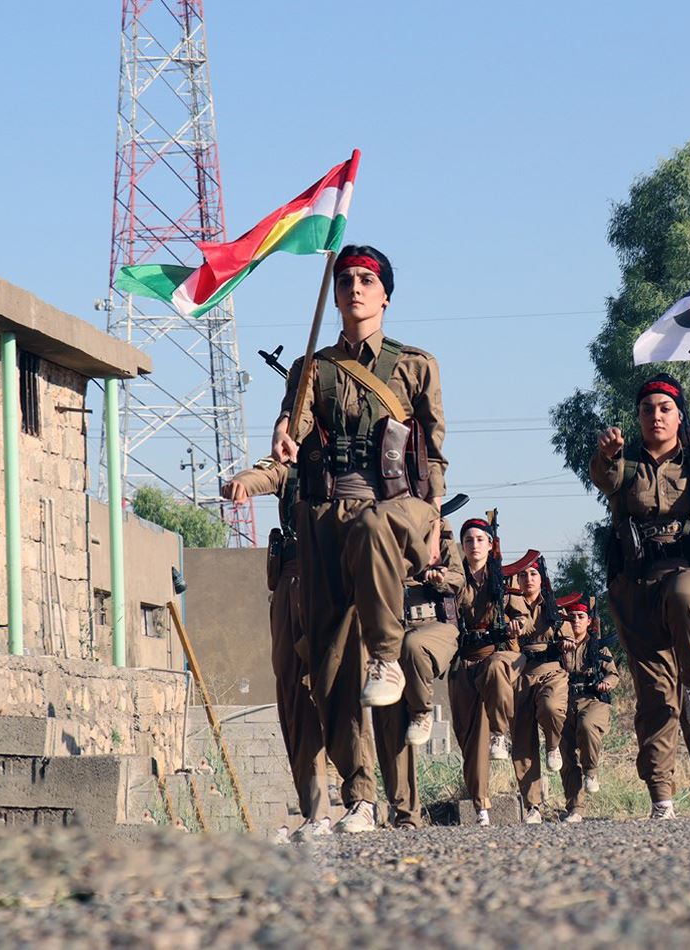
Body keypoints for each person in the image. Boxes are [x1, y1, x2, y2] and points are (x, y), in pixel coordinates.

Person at [270, 245, 448, 834]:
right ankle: (361, 798)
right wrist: (283, 432)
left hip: (396, 508)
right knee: (328, 668)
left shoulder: (416, 365)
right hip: (325, 516)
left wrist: (436, 522)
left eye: (366, 280)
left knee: (375, 533)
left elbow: (434, 453)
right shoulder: (311, 368)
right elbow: (293, 426)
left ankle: (390, 661)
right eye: (345, 279)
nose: (354, 287)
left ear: (385, 295)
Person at [592, 373, 690, 820]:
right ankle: (662, 797)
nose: (655, 416)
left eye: (664, 409)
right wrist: (607, 453)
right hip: (638, 592)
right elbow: (603, 476)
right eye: (647, 410)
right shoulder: (624, 466)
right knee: (657, 696)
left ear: (679, 417)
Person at [222, 457, 331, 837]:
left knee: (342, 696)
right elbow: (264, 474)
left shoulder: (351, 457)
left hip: (338, 586)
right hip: (294, 583)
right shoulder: (294, 465)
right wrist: (242, 483)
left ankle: (359, 801)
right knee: (295, 696)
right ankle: (318, 809)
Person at [373, 517, 462, 829]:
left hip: (432, 626)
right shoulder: (376, 523)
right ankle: (405, 813)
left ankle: (422, 710)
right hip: (390, 631)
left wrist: (439, 577)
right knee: (389, 721)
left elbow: (458, 578)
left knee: (413, 646)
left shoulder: (435, 524)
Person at [448, 515, 518, 827]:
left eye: (480, 539)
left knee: (495, 669)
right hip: (464, 660)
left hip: (496, 655)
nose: (474, 545)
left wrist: (516, 623)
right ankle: (481, 808)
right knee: (470, 740)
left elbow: (523, 613)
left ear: (490, 545)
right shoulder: (455, 578)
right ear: (462, 546)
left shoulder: (502, 578)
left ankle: (500, 733)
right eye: (468, 540)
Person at [505, 551, 568, 824]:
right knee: (522, 741)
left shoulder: (554, 606)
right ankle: (533, 807)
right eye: (523, 575)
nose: (528, 579)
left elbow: (569, 634)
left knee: (551, 707)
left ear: (542, 579)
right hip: (520, 673)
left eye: (533, 574)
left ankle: (553, 745)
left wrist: (567, 641)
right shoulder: (508, 604)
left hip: (551, 671)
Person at [556, 594, 618, 823]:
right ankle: (575, 808)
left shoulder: (597, 646)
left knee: (587, 723)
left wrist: (606, 683)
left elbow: (613, 674)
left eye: (581, 617)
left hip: (593, 699)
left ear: (589, 621)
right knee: (567, 755)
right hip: (565, 700)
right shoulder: (560, 645)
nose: (576, 621)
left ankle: (590, 772)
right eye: (572, 617)